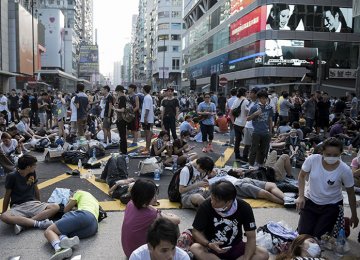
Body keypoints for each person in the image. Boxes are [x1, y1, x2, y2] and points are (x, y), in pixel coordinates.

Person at [296, 137, 359, 238]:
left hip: (331, 205)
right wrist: (301, 196)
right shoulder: (312, 160)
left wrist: (354, 215)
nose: (332, 157)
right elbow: (301, 176)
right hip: (311, 201)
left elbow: (351, 193)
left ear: (341, 153)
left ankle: (341, 221)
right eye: (328, 154)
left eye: (335, 155)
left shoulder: (345, 170)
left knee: (319, 237)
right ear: (322, 152)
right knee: (303, 235)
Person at [190, 180, 269, 260]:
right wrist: (208, 244)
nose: (212, 202)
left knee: (263, 253)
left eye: (216, 201)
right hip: (212, 248)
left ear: (229, 202)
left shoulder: (244, 207)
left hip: (235, 246)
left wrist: (246, 258)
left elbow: (251, 237)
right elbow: (196, 231)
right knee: (195, 248)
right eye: (212, 198)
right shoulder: (205, 206)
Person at [0, 154, 59, 235]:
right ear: (28, 167)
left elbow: (36, 188)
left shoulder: (32, 173)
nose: (35, 167)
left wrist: (39, 202)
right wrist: (4, 211)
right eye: (34, 165)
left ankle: (24, 224)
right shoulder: (12, 176)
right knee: (4, 216)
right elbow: (7, 195)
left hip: (32, 203)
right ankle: (39, 224)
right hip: (18, 206)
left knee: (55, 207)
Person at [122, 179, 180, 258]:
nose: (156, 198)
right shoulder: (151, 214)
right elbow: (177, 220)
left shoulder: (130, 203)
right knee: (171, 226)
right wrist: (164, 214)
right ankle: (170, 248)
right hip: (140, 254)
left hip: (128, 251)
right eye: (154, 196)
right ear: (146, 199)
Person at [44, 190, 99, 260]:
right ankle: (66, 240)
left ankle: (59, 248)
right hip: (94, 227)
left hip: (84, 215)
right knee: (61, 231)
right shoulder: (94, 200)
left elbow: (66, 210)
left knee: (49, 230)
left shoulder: (79, 192)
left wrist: (70, 200)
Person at [208, 168, 295, 206]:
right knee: (265, 193)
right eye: (211, 170)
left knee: (271, 185)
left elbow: (237, 171)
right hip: (238, 186)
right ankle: (285, 202)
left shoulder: (219, 172)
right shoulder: (210, 181)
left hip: (244, 180)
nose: (213, 170)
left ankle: (286, 198)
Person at [247, 90, 273, 169]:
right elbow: (248, 119)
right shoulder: (254, 107)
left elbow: (270, 120)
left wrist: (271, 131)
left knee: (263, 150)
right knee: (253, 149)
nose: (264, 100)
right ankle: (250, 164)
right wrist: (255, 114)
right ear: (259, 99)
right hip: (256, 131)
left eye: (265, 98)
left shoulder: (269, 108)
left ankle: (260, 165)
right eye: (262, 98)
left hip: (266, 132)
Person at [231, 88, 249, 161]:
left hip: (236, 123)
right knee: (247, 141)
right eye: (247, 92)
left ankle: (237, 156)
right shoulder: (246, 101)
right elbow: (248, 112)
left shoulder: (236, 100)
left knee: (237, 140)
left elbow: (231, 112)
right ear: (244, 93)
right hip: (244, 124)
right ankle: (245, 156)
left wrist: (233, 122)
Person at [242, 87, 259, 162]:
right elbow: (246, 113)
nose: (249, 94)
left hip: (254, 127)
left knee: (254, 145)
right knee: (247, 144)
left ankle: (253, 161)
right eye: (249, 92)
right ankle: (245, 158)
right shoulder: (249, 102)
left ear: (256, 94)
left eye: (251, 93)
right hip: (247, 125)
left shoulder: (259, 103)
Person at [140, 85, 155, 155]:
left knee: (148, 133)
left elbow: (147, 109)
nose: (141, 90)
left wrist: (145, 118)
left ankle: (148, 149)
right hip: (147, 119)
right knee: (146, 133)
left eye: (142, 89)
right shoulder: (147, 97)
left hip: (147, 119)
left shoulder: (147, 97)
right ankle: (146, 147)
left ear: (144, 89)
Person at [113, 85, 128, 154]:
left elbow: (122, 110)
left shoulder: (122, 98)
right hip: (122, 118)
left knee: (122, 135)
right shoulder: (122, 98)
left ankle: (123, 151)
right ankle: (122, 150)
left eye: (116, 92)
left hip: (121, 119)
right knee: (122, 135)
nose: (116, 94)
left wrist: (115, 109)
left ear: (119, 91)